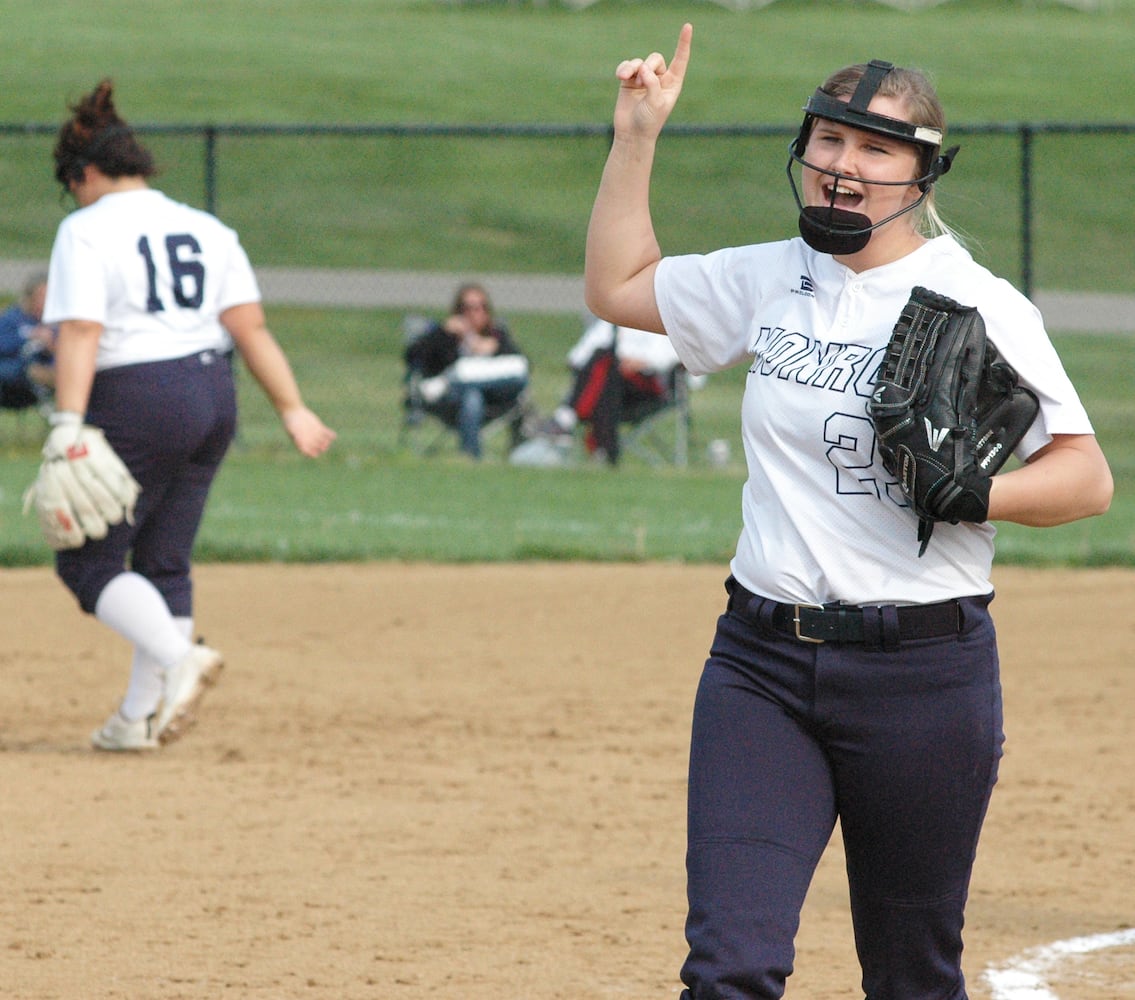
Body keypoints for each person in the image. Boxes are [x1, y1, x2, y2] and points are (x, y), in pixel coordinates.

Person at [584, 24, 1112, 1000]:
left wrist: (974, 490)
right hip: (761, 665)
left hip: (923, 676)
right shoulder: (770, 274)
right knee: (729, 965)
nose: (843, 163)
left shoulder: (975, 301)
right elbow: (617, 285)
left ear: (920, 170)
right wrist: (637, 135)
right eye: (829, 139)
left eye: (875, 146)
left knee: (911, 976)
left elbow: (1084, 477)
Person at [43, 79, 337, 752]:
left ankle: (180, 660)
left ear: (85, 173)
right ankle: (140, 718)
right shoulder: (206, 227)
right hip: (211, 392)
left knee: (86, 561)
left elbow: (82, 331)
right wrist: (292, 408)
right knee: (164, 560)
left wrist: (67, 423)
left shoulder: (83, 229)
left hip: (136, 394)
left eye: (74, 185)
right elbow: (250, 327)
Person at [522, 317, 682, 465]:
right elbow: (576, 357)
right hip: (615, 382)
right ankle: (605, 450)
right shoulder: (615, 317)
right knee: (605, 370)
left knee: (604, 363)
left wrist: (640, 361)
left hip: (650, 385)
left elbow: (673, 355)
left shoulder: (663, 315)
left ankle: (565, 420)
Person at [404, 283, 529, 460]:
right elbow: (413, 357)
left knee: (513, 373)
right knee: (472, 397)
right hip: (449, 401)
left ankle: (450, 379)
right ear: (458, 310)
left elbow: (522, 368)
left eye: (481, 307)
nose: (475, 312)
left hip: (493, 400)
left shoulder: (496, 336)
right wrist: (442, 333)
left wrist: (495, 348)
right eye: (468, 307)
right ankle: (471, 457)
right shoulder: (445, 336)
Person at [0, 272, 55, 411]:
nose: (45, 302)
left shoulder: (53, 323)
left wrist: (50, 345)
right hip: (12, 378)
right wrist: (30, 336)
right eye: (41, 297)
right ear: (30, 297)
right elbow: (3, 345)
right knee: (28, 370)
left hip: (46, 372)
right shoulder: (12, 318)